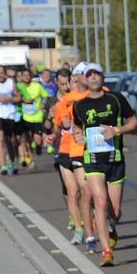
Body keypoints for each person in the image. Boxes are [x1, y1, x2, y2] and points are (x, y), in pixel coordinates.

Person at [72, 62, 137, 267]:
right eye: (89, 74)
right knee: (100, 202)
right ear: (84, 79)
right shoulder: (79, 105)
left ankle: (111, 226)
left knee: (114, 211)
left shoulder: (116, 99)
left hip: (115, 160)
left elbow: (133, 122)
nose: (93, 77)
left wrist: (116, 131)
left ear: (102, 77)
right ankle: (106, 251)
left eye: (97, 74)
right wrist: (78, 136)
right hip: (92, 161)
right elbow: (76, 127)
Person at [52, 64, 91, 244]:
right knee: (72, 192)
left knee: (86, 191)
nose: (72, 83)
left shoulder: (91, 97)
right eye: (72, 80)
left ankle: (90, 222)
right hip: (65, 150)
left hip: (83, 150)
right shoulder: (63, 102)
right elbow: (57, 126)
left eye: (76, 79)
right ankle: (78, 229)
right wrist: (53, 135)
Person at [0, 65, 21, 174]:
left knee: (9, 140)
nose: (0, 76)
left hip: (10, 115)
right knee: (0, 138)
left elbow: (19, 98)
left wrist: (9, 98)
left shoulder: (11, 83)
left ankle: (12, 161)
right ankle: (2, 165)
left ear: (5, 73)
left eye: (1, 73)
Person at [16, 67, 49, 170]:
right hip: (25, 117)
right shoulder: (19, 87)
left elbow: (45, 96)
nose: (26, 77)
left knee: (38, 141)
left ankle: (38, 147)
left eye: (28, 75)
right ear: (21, 77)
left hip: (37, 117)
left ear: (31, 76)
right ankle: (31, 159)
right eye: (24, 75)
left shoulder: (37, 86)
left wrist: (44, 103)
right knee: (27, 140)